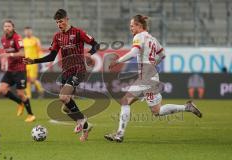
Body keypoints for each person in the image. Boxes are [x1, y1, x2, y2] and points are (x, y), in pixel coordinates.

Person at [104, 15, 202, 143]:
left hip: (146, 77)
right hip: (150, 76)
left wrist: (118, 61)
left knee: (137, 105)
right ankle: (186, 107)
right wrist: (154, 63)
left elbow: (134, 53)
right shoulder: (153, 39)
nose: (131, 28)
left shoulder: (138, 37)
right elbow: (162, 54)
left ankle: (120, 134)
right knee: (145, 107)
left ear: (139, 26)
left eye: (132, 26)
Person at [23, 9, 100, 141]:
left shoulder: (78, 33)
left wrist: (89, 53)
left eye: (61, 21)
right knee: (66, 107)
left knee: (63, 97)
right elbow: (52, 56)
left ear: (67, 19)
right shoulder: (57, 37)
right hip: (66, 72)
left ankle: (81, 120)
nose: (59, 24)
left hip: (78, 69)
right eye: (57, 22)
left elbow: (96, 45)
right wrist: (34, 61)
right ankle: (86, 127)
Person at [0, 20, 36, 122]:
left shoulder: (17, 38)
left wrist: (9, 55)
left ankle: (31, 115)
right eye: (5, 26)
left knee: (20, 93)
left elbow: (23, 53)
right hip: (10, 70)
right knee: (2, 89)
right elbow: (7, 53)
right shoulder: (3, 39)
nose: (7, 28)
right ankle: (20, 103)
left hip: (20, 69)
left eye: (9, 26)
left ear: (13, 28)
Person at [23, 26, 44, 98]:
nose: (28, 32)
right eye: (26, 31)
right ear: (24, 32)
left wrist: (40, 60)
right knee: (26, 79)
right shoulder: (23, 41)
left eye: (29, 31)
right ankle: (28, 95)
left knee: (32, 80)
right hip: (26, 63)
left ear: (31, 32)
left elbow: (40, 50)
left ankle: (41, 90)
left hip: (33, 63)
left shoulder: (36, 40)